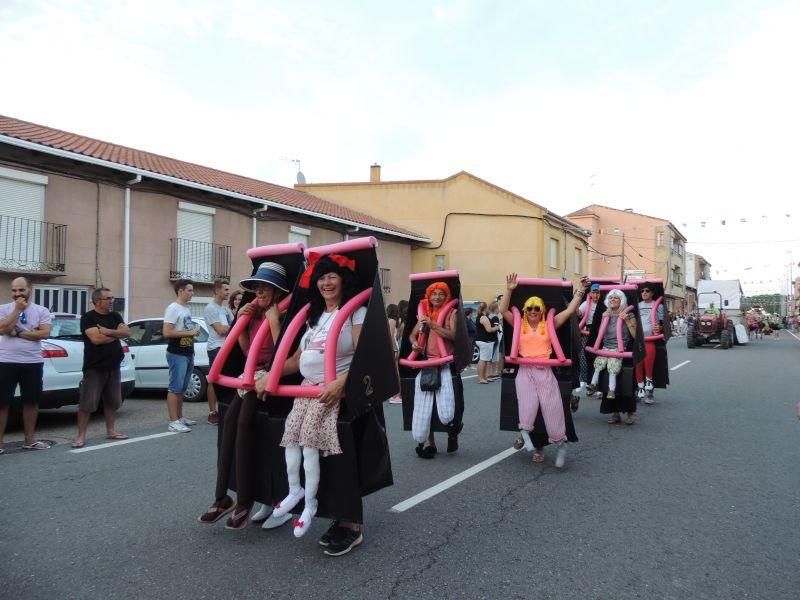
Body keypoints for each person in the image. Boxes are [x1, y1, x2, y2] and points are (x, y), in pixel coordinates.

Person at [256, 254, 366, 553]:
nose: (326, 283)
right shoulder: (314, 318)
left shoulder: (356, 312)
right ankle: (300, 495)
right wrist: (270, 375)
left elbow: (365, 353)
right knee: (293, 438)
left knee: (323, 452)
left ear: (344, 280)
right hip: (307, 390)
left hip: (336, 394)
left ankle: (341, 519)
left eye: (332, 276)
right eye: (321, 278)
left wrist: (342, 382)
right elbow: (295, 359)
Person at [199, 263, 292, 530]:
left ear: (277, 291)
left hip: (274, 382)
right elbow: (247, 348)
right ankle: (222, 497)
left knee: (242, 426)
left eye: (265, 287)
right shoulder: (255, 313)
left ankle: (245, 501)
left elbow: (284, 354)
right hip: (252, 377)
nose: (259, 292)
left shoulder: (282, 314)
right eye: (257, 287)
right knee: (229, 425)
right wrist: (242, 319)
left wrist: (273, 321)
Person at [499, 273, 589, 467]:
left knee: (552, 406)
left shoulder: (549, 324)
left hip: (545, 371)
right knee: (526, 405)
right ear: (524, 310)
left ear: (542, 310)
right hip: (525, 370)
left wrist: (581, 290)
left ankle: (561, 444)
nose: (533, 311)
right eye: (529, 308)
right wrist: (509, 289)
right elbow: (503, 309)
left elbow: (570, 310)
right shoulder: (518, 324)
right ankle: (525, 436)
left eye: (536, 308)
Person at [71, 287, 130, 448]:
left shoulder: (115, 315)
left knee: (112, 401)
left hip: (114, 365)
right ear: (98, 301)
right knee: (87, 402)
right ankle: (81, 435)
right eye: (108, 298)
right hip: (94, 367)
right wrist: (115, 334)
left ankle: (111, 431)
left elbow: (127, 332)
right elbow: (96, 339)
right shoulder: (88, 318)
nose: (112, 301)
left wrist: (107, 332)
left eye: (112, 297)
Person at [0, 277, 54, 453]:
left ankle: (30, 440)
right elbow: (2, 329)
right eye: (14, 290)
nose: (17, 294)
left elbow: (45, 333)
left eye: (21, 290)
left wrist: (17, 333)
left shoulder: (41, 310)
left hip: (32, 362)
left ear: (29, 289)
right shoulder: (4, 309)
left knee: (31, 402)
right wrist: (17, 310)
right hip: (6, 361)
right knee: (2, 402)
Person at [408, 281, 461, 457]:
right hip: (427, 364)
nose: (437, 297)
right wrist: (415, 344)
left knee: (451, 406)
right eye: (434, 293)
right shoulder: (424, 314)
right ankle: (430, 443)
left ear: (447, 297)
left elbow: (454, 336)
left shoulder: (451, 313)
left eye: (441, 294)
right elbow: (411, 335)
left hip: (446, 365)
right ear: (429, 296)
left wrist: (434, 325)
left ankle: (451, 434)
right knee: (425, 407)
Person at [587, 289, 638, 425]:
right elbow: (600, 335)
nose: (613, 300)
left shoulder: (629, 314)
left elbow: (635, 335)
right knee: (606, 382)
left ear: (622, 300)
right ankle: (615, 413)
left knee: (624, 384)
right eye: (610, 298)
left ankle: (630, 412)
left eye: (616, 298)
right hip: (606, 350)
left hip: (623, 352)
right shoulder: (606, 314)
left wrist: (626, 320)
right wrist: (604, 319)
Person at [163, 279, 202, 433]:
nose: (192, 293)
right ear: (180, 291)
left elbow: (184, 330)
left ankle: (179, 418)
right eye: (189, 290)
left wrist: (191, 344)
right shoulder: (173, 308)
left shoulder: (185, 308)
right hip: (176, 353)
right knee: (175, 388)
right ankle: (173, 421)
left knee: (182, 388)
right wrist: (190, 333)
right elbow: (167, 332)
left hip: (187, 352)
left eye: (192, 290)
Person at [203, 279, 234, 425]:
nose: (228, 292)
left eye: (228, 289)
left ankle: (223, 410)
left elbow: (235, 326)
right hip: (216, 348)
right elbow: (221, 330)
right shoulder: (211, 308)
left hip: (226, 348)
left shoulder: (225, 309)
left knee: (225, 379)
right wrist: (231, 328)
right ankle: (212, 412)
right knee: (213, 379)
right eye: (225, 289)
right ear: (217, 290)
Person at [635, 285, 664, 405]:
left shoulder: (659, 306)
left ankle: (649, 393)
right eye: (642, 291)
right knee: (638, 366)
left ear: (652, 293)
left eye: (647, 291)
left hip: (651, 340)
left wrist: (660, 327)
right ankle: (639, 390)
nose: (644, 292)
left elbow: (663, 323)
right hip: (638, 340)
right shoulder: (638, 305)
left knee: (649, 366)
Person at [575, 283, 602, 402]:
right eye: (594, 292)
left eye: (598, 292)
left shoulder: (605, 304)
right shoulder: (587, 303)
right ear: (590, 294)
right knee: (584, 357)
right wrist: (575, 299)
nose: (596, 295)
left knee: (600, 360)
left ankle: (599, 386)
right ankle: (586, 382)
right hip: (587, 332)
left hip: (601, 333)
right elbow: (578, 313)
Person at [475, 302, 499, 384]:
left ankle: (484, 377)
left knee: (485, 360)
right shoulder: (483, 317)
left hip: (484, 341)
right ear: (486, 308)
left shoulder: (481, 316)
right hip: (484, 341)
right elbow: (489, 329)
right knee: (483, 360)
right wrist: (497, 327)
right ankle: (481, 378)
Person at [386, 304, 402, 404]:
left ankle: (392, 394)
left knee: (392, 372)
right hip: (393, 349)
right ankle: (396, 395)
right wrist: (395, 349)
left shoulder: (387, 320)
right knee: (396, 373)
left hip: (390, 348)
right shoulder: (392, 321)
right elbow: (391, 336)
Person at [489, 302, 504, 380]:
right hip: (495, 338)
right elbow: (496, 328)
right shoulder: (495, 317)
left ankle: (491, 373)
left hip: (491, 339)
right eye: (498, 308)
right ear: (496, 309)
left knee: (491, 357)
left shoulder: (489, 316)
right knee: (493, 357)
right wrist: (499, 326)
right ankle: (492, 373)